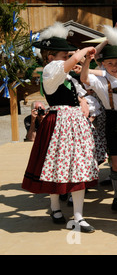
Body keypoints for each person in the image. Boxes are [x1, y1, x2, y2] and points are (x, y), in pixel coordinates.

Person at [21, 22, 98, 233]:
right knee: (57, 167)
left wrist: (88, 59)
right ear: (50, 57)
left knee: (78, 168)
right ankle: (55, 207)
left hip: (73, 123)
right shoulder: (50, 70)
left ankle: (79, 217)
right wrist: (81, 52)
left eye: (66, 54)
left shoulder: (65, 75)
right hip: (60, 123)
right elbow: (73, 60)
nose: (68, 57)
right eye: (63, 54)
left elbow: (82, 77)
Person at [80, 26, 117, 212]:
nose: (114, 67)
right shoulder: (100, 81)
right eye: (110, 63)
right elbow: (84, 76)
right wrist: (87, 61)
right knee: (115, 162)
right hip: (113, 121)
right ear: (103, 65)